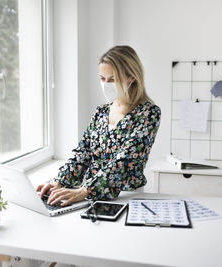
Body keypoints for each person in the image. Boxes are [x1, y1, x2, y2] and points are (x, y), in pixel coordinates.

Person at [37, 45, 161, 207]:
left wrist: (85, 190)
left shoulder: (148, 113)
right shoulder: (101, 112)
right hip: (90, 194)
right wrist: (59, 181)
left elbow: (126, 161)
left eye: (112, 79)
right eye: (102, 78)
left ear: (131, 78)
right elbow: (83, 152)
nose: (105, 85)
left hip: (126, 195)